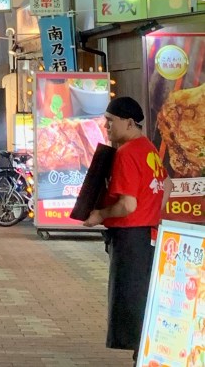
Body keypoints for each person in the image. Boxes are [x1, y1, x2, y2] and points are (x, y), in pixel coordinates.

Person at [83, 97, 171, 363]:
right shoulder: (149, 149)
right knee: (143, 298)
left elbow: (127, 205)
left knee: (131, 303)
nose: (106, 126)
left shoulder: (126, 153)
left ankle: (142, 358)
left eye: (111, 121)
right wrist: (152, 211)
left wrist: (100, 214)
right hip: (149, 236)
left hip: (131, 239)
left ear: (129, 123)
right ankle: (143, 356)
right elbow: (167, 186)